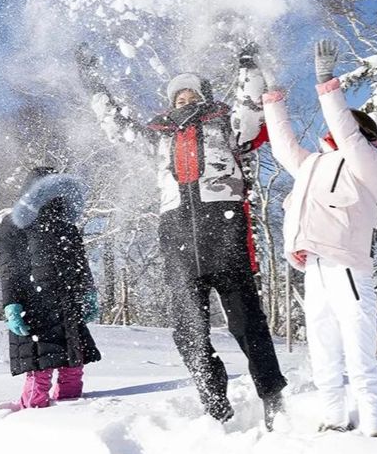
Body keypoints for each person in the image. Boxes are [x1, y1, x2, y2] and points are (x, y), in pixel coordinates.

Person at [75, 42, 287, 429]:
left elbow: (252, 109)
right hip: (178, 247)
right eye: (178, 94)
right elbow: (115, 125)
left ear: (204, 96)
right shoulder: (158, 136)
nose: (184, 97)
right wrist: (92, 80)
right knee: (189, 333)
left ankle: (272, 397)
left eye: (191, 92)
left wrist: (249, 65)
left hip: (225, 240)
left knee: (248, 327)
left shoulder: (226, 125)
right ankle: (214, 402)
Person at [261, 40, 377, 436]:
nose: (334, 131)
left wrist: (327, 83)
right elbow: (283, 144)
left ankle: (375, 428)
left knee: (358, 350)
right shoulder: (314, 164)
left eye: (345, 125)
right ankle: (334, 419)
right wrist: (272, 95)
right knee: (322, 348)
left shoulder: (370, 163)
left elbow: (348, 136)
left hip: (348, 267)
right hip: (314, 265)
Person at [0, 167, 101, 409]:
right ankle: (34, 417)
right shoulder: (14, 224)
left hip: (68, 302)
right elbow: (10, 267)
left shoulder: (66, 224)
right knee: (39, 366)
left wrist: (88, 294)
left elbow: (80, 264)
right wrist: (12, 304)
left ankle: (74, 410)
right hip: (34, 304)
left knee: (73, 363)